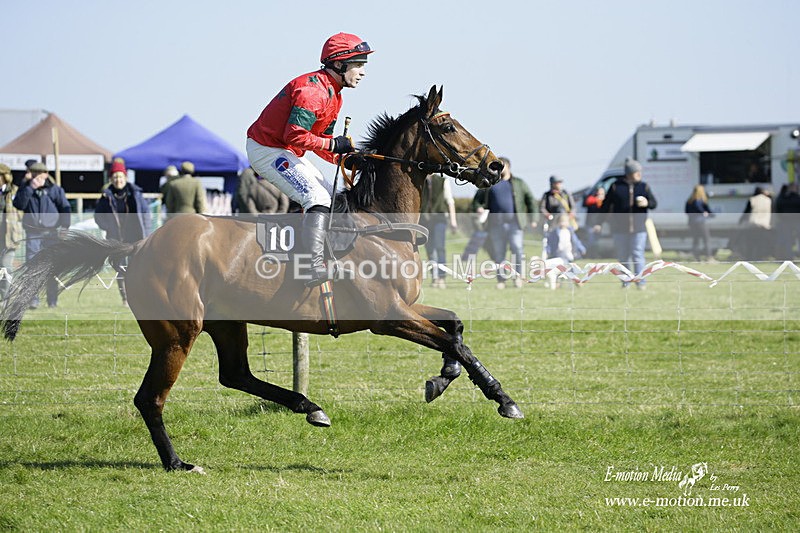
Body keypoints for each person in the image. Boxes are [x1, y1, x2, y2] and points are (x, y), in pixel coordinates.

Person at [246, 32, 372, 287]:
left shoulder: (335, 94)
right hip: (266, 149)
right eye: (357, 64)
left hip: (286, 150)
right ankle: (311, 266)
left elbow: (319, 140)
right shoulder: (313, 92)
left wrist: (344, 159)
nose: (362, 72)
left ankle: (326, 255)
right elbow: (295, 134)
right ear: (339, 64)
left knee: (332, 196)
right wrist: (333, 144)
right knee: (316, 198)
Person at [472, 157, 537, 289]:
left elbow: (531, 200)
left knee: (517, 250)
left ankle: (518, 278)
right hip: (495, 224)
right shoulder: (490, 183)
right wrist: (478, 207)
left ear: (508, 166)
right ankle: (501, 280)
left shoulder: (519, 183)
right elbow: (476, 200)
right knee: (499, 253)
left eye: (502, 166)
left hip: (515, 224)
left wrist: (534, 218)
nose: (499, 169)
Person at [13, 162, 71, 308]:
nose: (38, 176)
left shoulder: (55, 190)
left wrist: (65, 226)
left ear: (46, 174)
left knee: (52, 267)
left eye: (41, 173)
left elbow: (65, 207)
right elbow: (19, 204)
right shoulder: (25, 189)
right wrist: (29, 188)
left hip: (51, 233)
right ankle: (33, 300)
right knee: (33, 267)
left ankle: (52, 300)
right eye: (34, 173)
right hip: (33, 233)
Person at [94, 159, 151, 305]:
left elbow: (145, 214)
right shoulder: (106, 196)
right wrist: (108, 227)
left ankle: (139, 295)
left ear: (125, 178)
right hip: (116, 238)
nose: (118, 180)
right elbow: (98, 216)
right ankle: (125, 297)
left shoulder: (135, 193)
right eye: (115, 177)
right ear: (111, 179)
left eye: (120, 177)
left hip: (136, 236)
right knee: (120, 268)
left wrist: (146, 233)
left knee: (137, 267)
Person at [598, 157, 657, 289]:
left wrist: (647, 203)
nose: (640, 175)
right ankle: (626, 282)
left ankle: (640, 282)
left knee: (637, 254)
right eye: (637, 173)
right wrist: (599, 222)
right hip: (620, 228)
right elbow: (605, 207)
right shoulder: (615, 187)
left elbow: (654, 203)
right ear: (630, 174)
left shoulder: (644, 186)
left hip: (639, 227)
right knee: (623, 256)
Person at [421, 174, 457, 288]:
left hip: (439, 219)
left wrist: (453, 221)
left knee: (440, 247)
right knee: (430, 249)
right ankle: (434, 277)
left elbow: (450, 201)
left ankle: (441, 278)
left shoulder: (443, 181)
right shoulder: (421, 180)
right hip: (425, 220)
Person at [0, 164, 24, 301]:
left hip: (9, 237)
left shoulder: (15, 192)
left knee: (6, 267)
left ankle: (5, 299)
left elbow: (21, 212)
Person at [545, 213, 586, 288]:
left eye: (565, 221)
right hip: (558, 254)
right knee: (559, 269)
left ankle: (575, 281)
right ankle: (560, 283)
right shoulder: (554, 232)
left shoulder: (570, 231)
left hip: (568, 254)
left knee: (569, 269)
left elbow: (576, 241)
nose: (563, 223)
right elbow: (549, 242)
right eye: (561, 221)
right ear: (558, 222)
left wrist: (581, 248)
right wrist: (548, 251)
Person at [733, 186, 773, 260]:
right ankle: (760, 257)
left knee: (751, 243)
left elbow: (746, 212)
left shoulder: (752, 199)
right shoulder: (768, 200)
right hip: (764, 224)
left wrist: (740, 220)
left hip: (753, 224)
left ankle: (750, 257)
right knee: (761, 243)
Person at [684, 185, 715, 261]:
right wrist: (707, 214)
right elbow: (702, 209)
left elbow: (686, 212)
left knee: (696, 240)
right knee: (706, 239)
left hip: (692, 223)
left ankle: (696, 258)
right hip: (700, 223)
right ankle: (709, 257)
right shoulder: (700, 201)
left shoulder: (689, 201)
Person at [774, 182, 800, 260]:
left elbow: (777, 209)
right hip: (796, 221)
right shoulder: (796, 197)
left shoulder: (781, 197)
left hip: (785, 221)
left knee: (787, 240)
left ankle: (789, 257)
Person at [582, 187, 605, 258]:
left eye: (602, 193)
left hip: (600, 224)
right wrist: (598, 199)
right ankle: (589, 255)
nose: (600, 194)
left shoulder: (605, 201)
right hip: (591, 223)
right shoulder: (591, 199)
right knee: (590, 241)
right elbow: (587, 202)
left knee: (597, 241)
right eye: (599, 192)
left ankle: (596, 255)